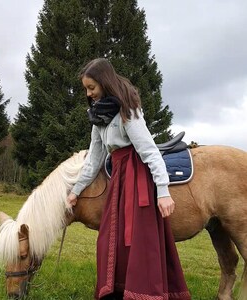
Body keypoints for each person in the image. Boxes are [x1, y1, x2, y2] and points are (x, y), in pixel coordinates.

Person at [67, 58, 191, 300]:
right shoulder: (98, 118)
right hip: (119, 180)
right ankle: (118, 290)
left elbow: (149, 150)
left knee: (137, 241)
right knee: (109, 241)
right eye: (86, 89)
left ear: (104, 82)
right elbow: (93, 159)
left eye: (91, 87)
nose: (89, 93)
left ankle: (144, 292)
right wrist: (76, 190)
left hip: (137, 178)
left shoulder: (128, 111)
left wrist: (163, 192)